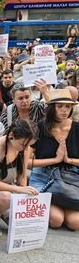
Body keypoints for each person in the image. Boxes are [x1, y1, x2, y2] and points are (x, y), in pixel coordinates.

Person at [29, 89, 79, 230]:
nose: (64, 110)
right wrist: (56, 159)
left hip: (71, 178)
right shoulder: (40, 127)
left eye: (68, 106)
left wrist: (69, 160)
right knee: (56, 220)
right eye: (60, 106)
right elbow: (26, 163)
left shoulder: (77, 128)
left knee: (75, 223)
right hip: (44, 176)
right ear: (52, 108)